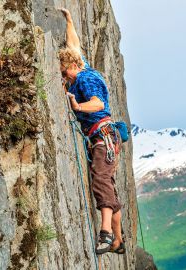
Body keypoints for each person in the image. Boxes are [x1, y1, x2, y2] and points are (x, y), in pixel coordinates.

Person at [58, 8, 125, 255]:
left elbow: (98, 104)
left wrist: (77, 106)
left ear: (74, 67)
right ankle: (118, 241)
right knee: (108, 186)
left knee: (101, 180)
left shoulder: (84, 79)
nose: (65, 78)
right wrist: (70, 21)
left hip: (102, 136)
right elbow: (73, 44)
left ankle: (106, 233)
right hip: (106, 136)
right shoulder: (81, 67)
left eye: (65, 72)